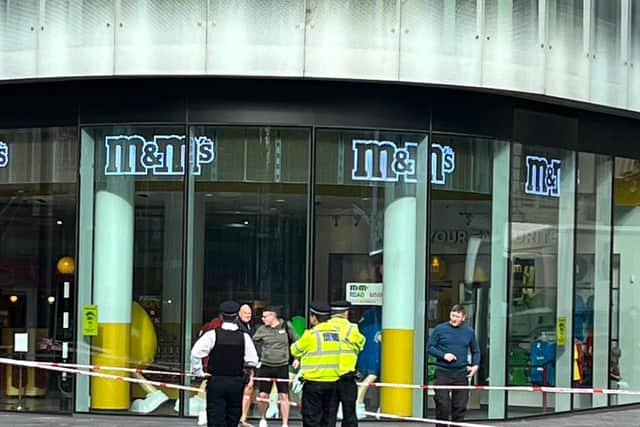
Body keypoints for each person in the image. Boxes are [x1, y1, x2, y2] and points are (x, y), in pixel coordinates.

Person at [191, 301, 259, 427]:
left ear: (221, 316)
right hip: (236, 382)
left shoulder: (212, 335)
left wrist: (198, 372)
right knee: (232, 418)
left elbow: (195, 353)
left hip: (216, 381)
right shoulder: (244, 337)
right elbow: (253, 360)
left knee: (215, 417)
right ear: (237, 317)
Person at [427, 304, 480, 427]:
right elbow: (429, 347)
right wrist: (443, 355)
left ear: (463, 317)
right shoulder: (440, 329)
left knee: (460, 407)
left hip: (461, 373)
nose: (454, 319)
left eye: (457, 316)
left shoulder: (469, 332)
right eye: (452, 315)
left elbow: (476, 351)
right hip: (443, 372)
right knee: (443, 405)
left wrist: (475, 365)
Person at [290, 302, 341, 427]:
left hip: (314, 384)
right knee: (328, 420)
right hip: (333, 382)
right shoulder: (336, 334)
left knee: (312, 419)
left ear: (314, 317)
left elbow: (294, 350)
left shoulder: (311, 335)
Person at [252, 306, 297, 427]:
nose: (263, 319)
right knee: (263, 395)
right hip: (266, 365)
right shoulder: (262, 329)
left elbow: (296, 342)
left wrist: (297, 358)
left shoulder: (286, 326)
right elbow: (252, 342)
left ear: (273, 316)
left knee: (284, 395)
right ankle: (262, 418)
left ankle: (285, 423)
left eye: (265, 316)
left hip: (282, 365)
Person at [328, 300, 365, 426]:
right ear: (346, 313)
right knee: (349, 414)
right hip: (347, 377)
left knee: (329, 413)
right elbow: (361, 344)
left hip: (328, 377)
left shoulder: (324, 327)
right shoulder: (352, 328)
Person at [237, 303, 256, 427]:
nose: (248, 315)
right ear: (239, 314)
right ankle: (239, 418)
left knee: (248, 389)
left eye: (249, 313)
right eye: (245, 313)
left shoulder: (251, 327)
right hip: (238, 363)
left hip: (249, 364)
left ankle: (243, 418)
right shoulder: (236, 327)